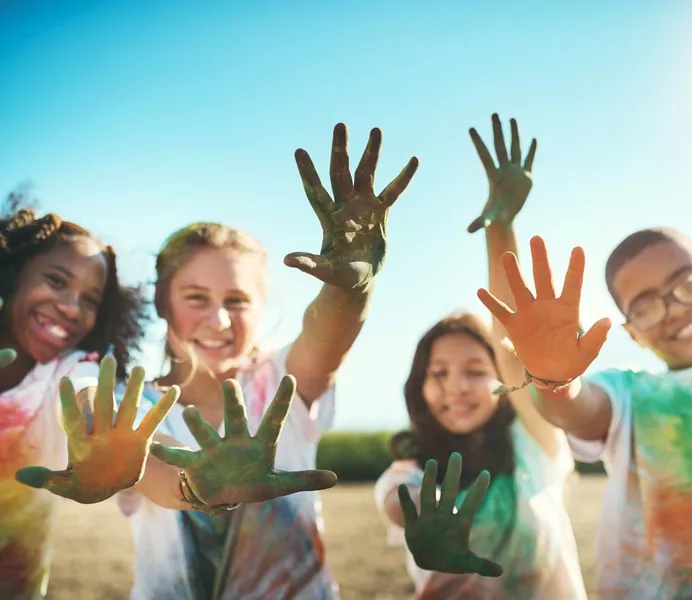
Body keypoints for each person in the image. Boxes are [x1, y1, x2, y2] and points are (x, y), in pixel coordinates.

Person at [114, 122, 419, 600]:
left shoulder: (281, 382)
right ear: (161, 301)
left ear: (261, 307)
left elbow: (328, 331)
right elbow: (147, 471)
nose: (218, 319)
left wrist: (352, 290)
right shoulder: (131, 402)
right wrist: (201, 489)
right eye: (196, 297)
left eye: (237, 300)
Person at [478, 180, 692, 599]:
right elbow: (574, 409)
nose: (677, 309)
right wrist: (554, 380)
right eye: (645, 306)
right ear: (631, 334)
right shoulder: (629, 393)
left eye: (690, 282)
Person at [374, 115, 587, 599]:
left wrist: (502, 229)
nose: (457, 387)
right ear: (418, 386)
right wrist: (420, 520)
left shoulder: (534, 442)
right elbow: (395, 503)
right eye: (439, 373)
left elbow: (513, 340)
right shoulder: (408, 469)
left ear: (504, 382)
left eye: (475, 371)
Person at [0, 206, 149, 600]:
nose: (70, 307)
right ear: (12, 274)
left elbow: (86, 392)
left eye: (90, 300)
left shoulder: (70, 368)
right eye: (55, 280)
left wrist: (100, 428)